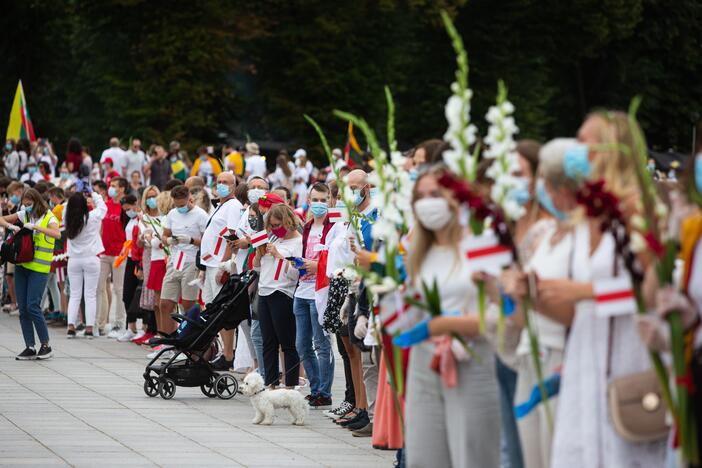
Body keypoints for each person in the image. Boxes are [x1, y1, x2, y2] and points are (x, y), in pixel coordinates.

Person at [399, 168, 501, 467]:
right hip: (424, 360)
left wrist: (448, 324)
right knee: (423, 455)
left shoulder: (482, 244)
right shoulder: (421, 251)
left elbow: (506, 314)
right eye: (420, 197)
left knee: (473, 453)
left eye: (435, 195)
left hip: (471, 358)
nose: (427, 203)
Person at [0, 188, 61, 360]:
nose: (27, 207)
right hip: (22, 265)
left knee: (33, 306)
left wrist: (36, 227)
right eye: (24, 205)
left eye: (29, 204)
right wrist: (11, 226)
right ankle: (30, 346)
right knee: (23, 308)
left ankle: (46, 345)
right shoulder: (24, 214)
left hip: (39, 269)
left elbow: (56, 233)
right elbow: (1, 219)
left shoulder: (49, 216)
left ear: (37, 201)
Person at [253, 203, 302, 388]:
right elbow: (258, 268)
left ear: (287, 221)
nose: (274, 229)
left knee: (287, 342)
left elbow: (296, 274)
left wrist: (280, 256)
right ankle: (271, 383)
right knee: (268, 342)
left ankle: (290, 385)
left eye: (276, 225)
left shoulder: (298, 242)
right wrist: (259, 255)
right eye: (271, 226)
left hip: (282, 293)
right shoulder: (274, 238)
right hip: (265, 291)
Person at [294, 182, 335, 409]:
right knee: (302, 344)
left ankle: (325, 392)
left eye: (323, 200)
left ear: (330, 200)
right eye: (315, 200)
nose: (319, 204)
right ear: (308, 201)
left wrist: (316, 265)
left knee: (322, 344)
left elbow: (336, 259)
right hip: (301, 289)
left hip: (321, 291)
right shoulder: (307, 226)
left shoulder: (334, 227)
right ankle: (315, 387)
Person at [198, 171, 243, 370]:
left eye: (226, 182)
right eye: (219, 182)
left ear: (234, 186)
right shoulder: (221, 205)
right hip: (209, 263)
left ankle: (228, 353)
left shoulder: (233, 206)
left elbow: (231, 236)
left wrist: (225, 264)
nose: (222, 185)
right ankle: (218, 350)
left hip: (218, 263)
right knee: (211, 307)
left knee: (222, 309)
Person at [160, 185, 208, 336]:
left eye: (183, 204)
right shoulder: (173, 214)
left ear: (189, 199)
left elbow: (208, 241)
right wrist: (168, 240)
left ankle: (189, 341)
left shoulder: (200, 215)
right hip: (175, 261)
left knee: (188, 305)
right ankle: (167, 341)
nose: (180, 207)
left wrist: (191, 240)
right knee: (165, 303)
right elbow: (164, 235)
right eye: (177, 204)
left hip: (191, 261)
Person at [64, 189, 107, 338]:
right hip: (91, 258)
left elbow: (65, 208)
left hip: (74, 260)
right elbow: (103, 208)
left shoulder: (67, 219)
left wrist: (72, 197)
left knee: (75, 294)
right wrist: (93, 194)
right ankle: (89, 328)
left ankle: (71, 326)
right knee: (90, 295)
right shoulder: (92, 217)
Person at [97, 177, 128, 337]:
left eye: (115, 186)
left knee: (118, 289)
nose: (111, 188)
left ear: (122, 189)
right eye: (111, 185)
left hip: (119, 254)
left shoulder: (124, 208)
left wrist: (124, 250)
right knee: (99, 287)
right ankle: (100, 324)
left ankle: (118, 323)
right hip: (103, 253)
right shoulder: (105, 205)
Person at [117, 194, 145, 342]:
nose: (127, 212)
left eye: (128, 208)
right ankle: (131, 327)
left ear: (136, 203)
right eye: (125, 210)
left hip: (139, 259)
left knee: (141, 295)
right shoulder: (130, 219)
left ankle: (145, 328)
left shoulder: (141, 218)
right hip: (129, 258)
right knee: (127, 294)